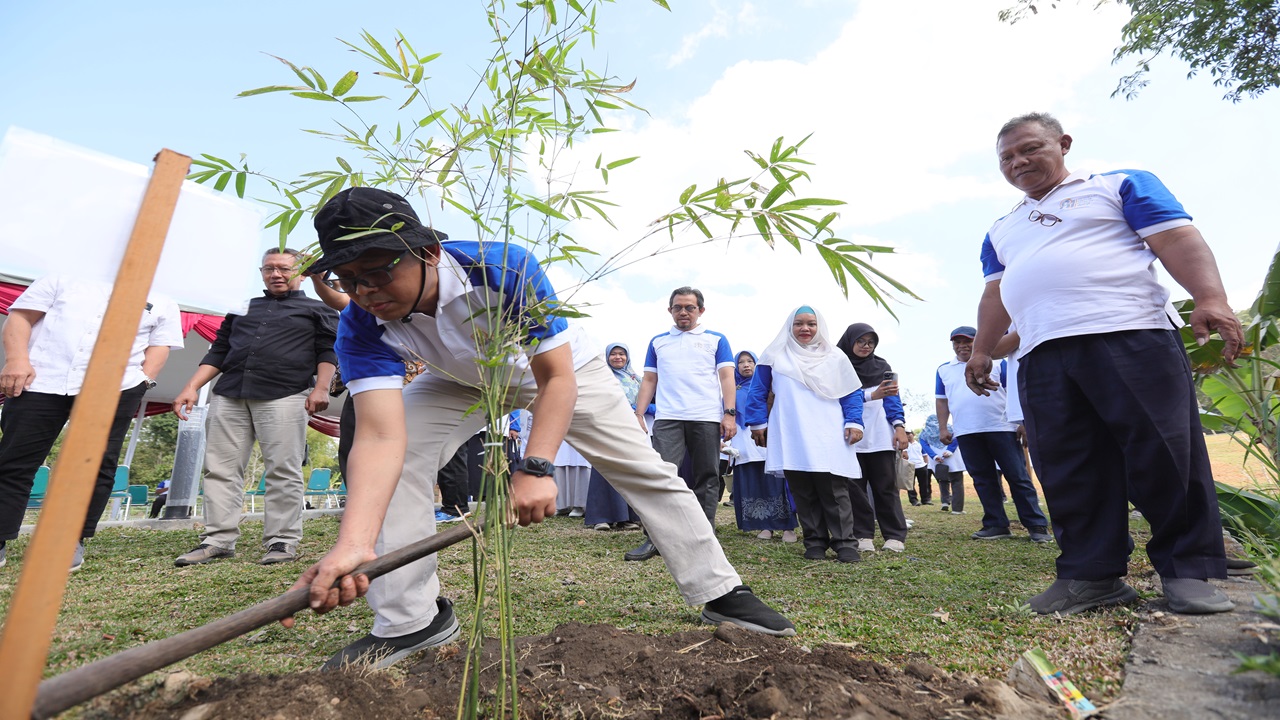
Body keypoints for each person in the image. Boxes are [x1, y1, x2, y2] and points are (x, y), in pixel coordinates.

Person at [283, 187, 794, 670]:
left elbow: (556, 378)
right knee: (398, 465)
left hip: (558, 372)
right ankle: (409, 620)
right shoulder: (360, 325)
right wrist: (354, 542)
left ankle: (720, 590)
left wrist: (536, 465)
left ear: (429, 252)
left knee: (644, 470)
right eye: (347, 281)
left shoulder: (501, 266)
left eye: (375, 272)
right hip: (459, 381)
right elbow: (378, 437)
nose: (365, 292)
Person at [966, 112, 1242, 615]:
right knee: (1068, 465)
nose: (1018, 162)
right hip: (1041, 351)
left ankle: (1187, 571)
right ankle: (1091, 575)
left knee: (1163, 453)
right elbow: (995, 293)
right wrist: (983, 349)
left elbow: (1177, 238)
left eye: (1029, 149)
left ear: (1063, 143)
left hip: (1129, 332)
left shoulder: (1118, 186)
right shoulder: (1002, 228)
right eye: (1006, 158)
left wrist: (1209, 296)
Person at [0, 274, 182, 571]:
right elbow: (20, 317)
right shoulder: (60, 276)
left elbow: (160, 344)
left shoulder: (163, 298)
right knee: (15, 459)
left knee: (96, 464)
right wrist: (16, 359)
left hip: (115, 387)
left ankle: (70, 538)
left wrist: (143, 382)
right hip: (42, 378)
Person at [172, 248, 339, 567]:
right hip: (230, 393)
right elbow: (219, 350)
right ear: (261, 272)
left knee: (283, 469)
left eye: (284, 269)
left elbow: (327, 350)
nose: (276, 274)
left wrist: (320, 387)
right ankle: (218, 539)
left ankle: (282, 541)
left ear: (301, 273)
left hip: (286, 394)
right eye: (268, 269)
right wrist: (191, 386)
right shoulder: (242, 308)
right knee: (219, 468)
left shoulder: (319, 309)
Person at [742, 306, 865, 563]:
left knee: (834, 489)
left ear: (819, 326)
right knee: (802, 489)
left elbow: (852, 392)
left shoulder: (835, 357)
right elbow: (758, 391)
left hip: (829, 431)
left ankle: (845, 544)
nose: (805, 329)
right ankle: (815, 542)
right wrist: (757, 424)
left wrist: (854, 421)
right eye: (799, 323)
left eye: (811, 323)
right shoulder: (775, 355)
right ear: (790, 326)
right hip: (791, 431)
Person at [626, 287, 737, 561]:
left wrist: (729, 413)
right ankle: (655, 539)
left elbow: (726, 378)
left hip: (706, 418)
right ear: (670, 310)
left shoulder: (716, 339)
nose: (683, 312)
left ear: (701, 310)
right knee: (660, 477)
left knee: (707, 477)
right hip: (668, 418)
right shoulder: (658, 342)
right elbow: (649, 380)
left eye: (689, 307)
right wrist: (638, 414)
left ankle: (703, 538)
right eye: (678, 307)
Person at [936, 326, 1050, 543]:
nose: (962, 346)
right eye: (957, 343)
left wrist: (1023, 421)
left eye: (967, 342)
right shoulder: (944, 370)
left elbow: (1017, 390)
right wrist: (943, 427)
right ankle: (996, 524)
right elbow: (941, 400)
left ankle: (1037, 525)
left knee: (1018, 477)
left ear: (978, 341)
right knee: (982, 479)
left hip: (1001, 427)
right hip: (966, 431)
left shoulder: (998, 363)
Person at [836, 323, 909, 553]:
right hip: (850, 435)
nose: (866, 346)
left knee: (885, 487)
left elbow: (892, 399)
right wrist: (870, 394)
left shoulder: (882, 366)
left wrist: (899, 427)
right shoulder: (839, 366)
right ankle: (863, 534)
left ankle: (895, 535)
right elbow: (837, 397)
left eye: (871, 342)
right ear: (850, 341)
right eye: (861, 341)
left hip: (879, 435)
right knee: (855, 490)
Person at [728, 351, 797, 542]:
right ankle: (765, 525)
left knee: (777, 483)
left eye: (750, 361)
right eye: (741, 362)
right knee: (755, 484)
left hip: (769, 438)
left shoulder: (767, 386)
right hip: (743, 443)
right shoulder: (731, 389)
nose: (746, 365)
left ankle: (788, 527)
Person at [583, 343, 642, 531]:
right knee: (604, 468)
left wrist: (639, 410)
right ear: (606, 357)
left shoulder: (636, 379)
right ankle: (602, 517)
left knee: (629, 470)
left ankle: (626, 517)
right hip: (606, 426)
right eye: (613, 354)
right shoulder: (601, 378)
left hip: (631, 428)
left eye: (622, 354)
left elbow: (653, 403)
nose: (618, 357)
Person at [919, 415, 964, 513]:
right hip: (952, 457)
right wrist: (950, 450)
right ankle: (957, 509)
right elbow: (956, 438)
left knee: (942, 480)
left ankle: (945, 502)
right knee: (957, 482)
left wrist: (934, 456)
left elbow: (925, 446)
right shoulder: (949, 428)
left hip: (937, 460)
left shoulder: (924, 433)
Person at [904, 431, 930, 505]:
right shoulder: (904, 445)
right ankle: (914, 500)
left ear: (913, 434)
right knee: (910, 485)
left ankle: (925, 499)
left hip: (921, 465)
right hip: (909, 466)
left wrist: (926, 465)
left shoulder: (919, 444)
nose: (908, 436)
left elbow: (924, 455)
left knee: (924, 484)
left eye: (909, 434)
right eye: (906, 434)